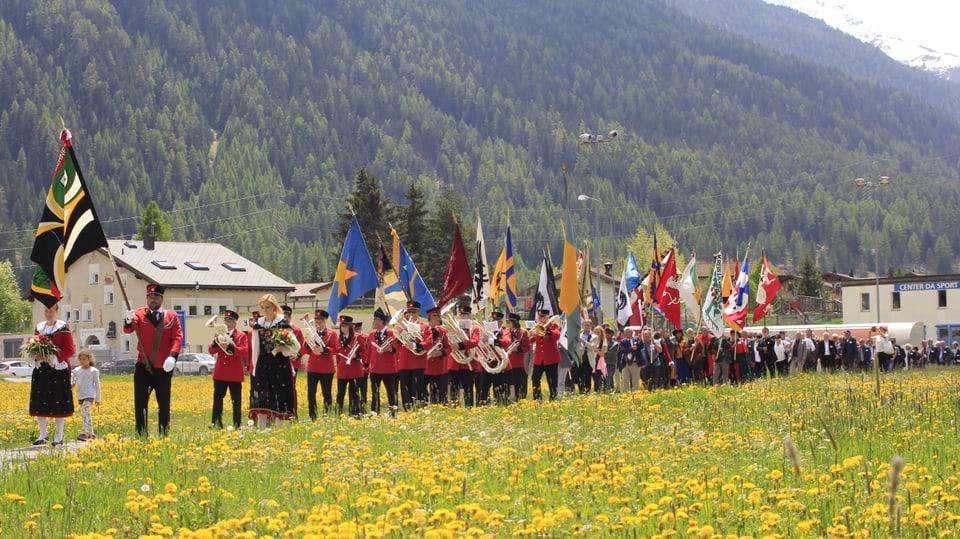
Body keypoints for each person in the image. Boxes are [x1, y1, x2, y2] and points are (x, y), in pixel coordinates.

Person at [123, 284, 183, 437]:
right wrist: (128, 319)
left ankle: (164, 434)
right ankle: (141, 435)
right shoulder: (140, 314)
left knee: (163, 403)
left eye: (156, 296)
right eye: (150, 297)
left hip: (163, 367)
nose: (153, 299)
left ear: (161, 299)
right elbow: (128, 329)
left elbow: (177, 338)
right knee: (140, 403)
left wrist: (173, 356)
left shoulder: (171, 316)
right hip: (144, 366)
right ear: (147, 299)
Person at [248, 293, 299, 426]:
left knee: (279, 395)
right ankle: (262, 428)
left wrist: (284, 348)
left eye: (268, 307)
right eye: (263, 307)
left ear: (274, 307)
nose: (265, 310)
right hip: (263, 365)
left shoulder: (282, 323)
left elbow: (295, 345)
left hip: (280, 364)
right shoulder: (258, 325)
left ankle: (280, 429)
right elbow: (255, 348)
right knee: (262, 397)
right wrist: (254, 368)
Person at [28, 302, 75, 445]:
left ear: (57, 311)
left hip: (57, 369)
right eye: (46, 311)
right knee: (40, 401)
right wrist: (37, 355)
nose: (48, 314)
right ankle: (43, 434)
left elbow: (70, 349)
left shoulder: (63, 328)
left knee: (58, 402)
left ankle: (59, 436)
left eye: (51, 311)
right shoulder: (39, 327)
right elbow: (34, 345)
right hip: (42, 368)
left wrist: (52, 357)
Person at [208, 310, 250, 429]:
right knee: (217, 399)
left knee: (236, 400)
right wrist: (216, 342)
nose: (227, 323)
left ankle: (237, 423)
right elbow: (212, 351)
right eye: (226, 320)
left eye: (230, 320)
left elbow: (244, 351)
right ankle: (216, 423)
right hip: (221, 372)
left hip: (235, 373)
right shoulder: (220, 333)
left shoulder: (241, 336)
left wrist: (231, 346)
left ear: (235, 322)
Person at [397, 301, 433, 410]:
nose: (411, 314)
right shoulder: (402, 327)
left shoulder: (424, 327)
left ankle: (420, 408)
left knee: (418, 388)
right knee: (405, 389)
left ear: (418, 312)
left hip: (418, 362)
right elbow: (395, 342)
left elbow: (429, 342)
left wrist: (415, 345)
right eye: (409, 312)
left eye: (414, 311)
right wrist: (401, 335)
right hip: (404, 362)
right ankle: (407, 409)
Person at [302, 309, 339, 419]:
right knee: (311, 393)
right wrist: (311, 349)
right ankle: (312, 416)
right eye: (316, 321)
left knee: (326, 392)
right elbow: (305, 348)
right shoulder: (311, 332)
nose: (318, 324)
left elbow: (336, 349)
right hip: (313, 367)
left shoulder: (331, 334)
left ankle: (326, 414)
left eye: (320, 321)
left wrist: (324, 350)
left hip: (326, 369)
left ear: (325, 321)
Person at [368, 308, 399, 414]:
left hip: (388, 368)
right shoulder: (372, 334)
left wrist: (389, 349)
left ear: (381, 321)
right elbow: (369, 351)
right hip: (375, 368)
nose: (373, 322)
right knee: (374, 392)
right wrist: (367, 364)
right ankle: (374, 411)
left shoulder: (391, 333)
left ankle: (393, 411)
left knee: (391, 391)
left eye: (375, 319)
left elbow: (396, 348)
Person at [335, 315, 364, 416]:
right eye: (342, 326)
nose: (343, 328)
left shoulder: (357, 337)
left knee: (354, 394)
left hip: (354, 369)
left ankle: (355, 413)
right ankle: (338, 413)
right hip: (343, 370)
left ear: (350, 327)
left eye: (345, 326)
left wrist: (357, 355)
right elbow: (338, 354)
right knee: (340, 393)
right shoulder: (339, 338)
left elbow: (364, 352)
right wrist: (338, 367)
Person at [530, 309, 561, 401]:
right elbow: (531, 340)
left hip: (551, 359)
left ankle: (553, 398)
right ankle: (537, 399)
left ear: (547, 318)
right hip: (539, 359)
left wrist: (547, 330)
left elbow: (556, 335)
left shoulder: (553, 326)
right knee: (535, 379)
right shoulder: (537, 327)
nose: (541, 319)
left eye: (543, 317)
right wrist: (531, 334)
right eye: (540, 317)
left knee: (552, 381)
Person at [72, 349, 101, 441]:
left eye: (84, 359)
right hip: (81, 394)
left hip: (89, 394)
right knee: (87, 413)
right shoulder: (76, 370)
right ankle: (91, 433)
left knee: (85, 411)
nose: (82, 361)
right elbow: (73, 381)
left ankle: (83, 432)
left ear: (89, 359)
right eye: (80, 359)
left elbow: (97, 384)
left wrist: (98, 398)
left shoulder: (94, 371)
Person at [425, 307, 451, 405]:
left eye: (439, 316)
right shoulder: (423, 329)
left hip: (439, 367)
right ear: (431, 317)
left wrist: (441, 353)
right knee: (422, 391)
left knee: (440, 394)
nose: (439, 318)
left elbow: (449, 348)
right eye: (437, 316)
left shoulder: (442, 331)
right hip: (425, 366)